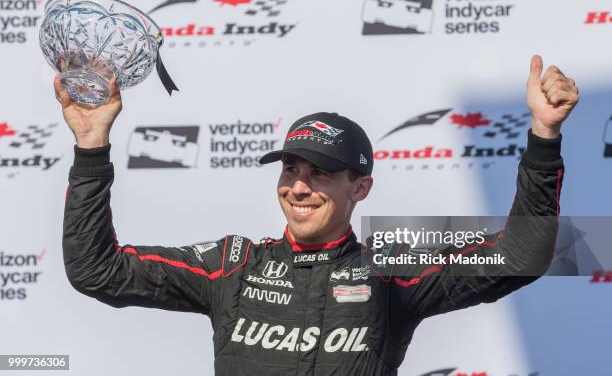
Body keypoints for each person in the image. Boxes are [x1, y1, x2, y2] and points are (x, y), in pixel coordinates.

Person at [58, 55, 578, 376]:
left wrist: (543, 138)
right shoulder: (232, 263)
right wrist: (91, 145)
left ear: (361, 187)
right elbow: (97, 272)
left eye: (321, 173)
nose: (299, 187)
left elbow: (520, 255)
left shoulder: (389, 269)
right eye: (290, 169)